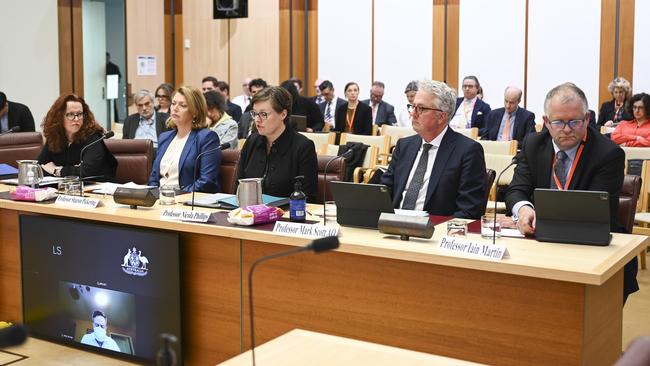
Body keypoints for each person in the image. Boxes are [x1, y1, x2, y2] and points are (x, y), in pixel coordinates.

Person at [505, 82, 638, 301]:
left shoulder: (608, 153)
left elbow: (592, 209)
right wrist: (523, 209)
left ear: (587, 119)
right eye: (558, 122)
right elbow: (516, 190)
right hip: (539, 244)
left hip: (593, 246)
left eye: (575, 122)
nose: (567, 129)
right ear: (546, 122)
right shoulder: (533, 144)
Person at [380, 79, 487, 218]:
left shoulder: (468, 151)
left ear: (441, 116)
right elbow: (384, 190)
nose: (413, 113)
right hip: (391, 227)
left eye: (421, 108)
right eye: (412, 107)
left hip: (433, 232)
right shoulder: (404, 146)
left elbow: (469, 210)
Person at [237, 86, 318, 201]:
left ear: (283, 114)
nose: (257, 119)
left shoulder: (303, 147)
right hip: (249, 214)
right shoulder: (252, 141)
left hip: (285, 215)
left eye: (263, 114)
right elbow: (239, 185)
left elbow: (308, 196)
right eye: (254, 113)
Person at [148, 86, 221, 192]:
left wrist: (175, 196)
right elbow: (154, 178)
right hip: (160, 200)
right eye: (173, 103)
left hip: (187, 201)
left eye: (182, 105)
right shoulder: (165, 137)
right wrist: (154, 196)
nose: (175, 108)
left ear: (195, 112)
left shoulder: (207, 138)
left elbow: (206, 181)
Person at [38, 94, 117, 181]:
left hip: (95, 190)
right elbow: (41, 165)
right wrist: (73, 170)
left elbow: (86, 172)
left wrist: (57, 170)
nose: (76, 119)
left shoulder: (93, 138)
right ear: (59, 117)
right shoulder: (55, 137)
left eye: (79, 114)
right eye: (71, 114)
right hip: (63, 189)